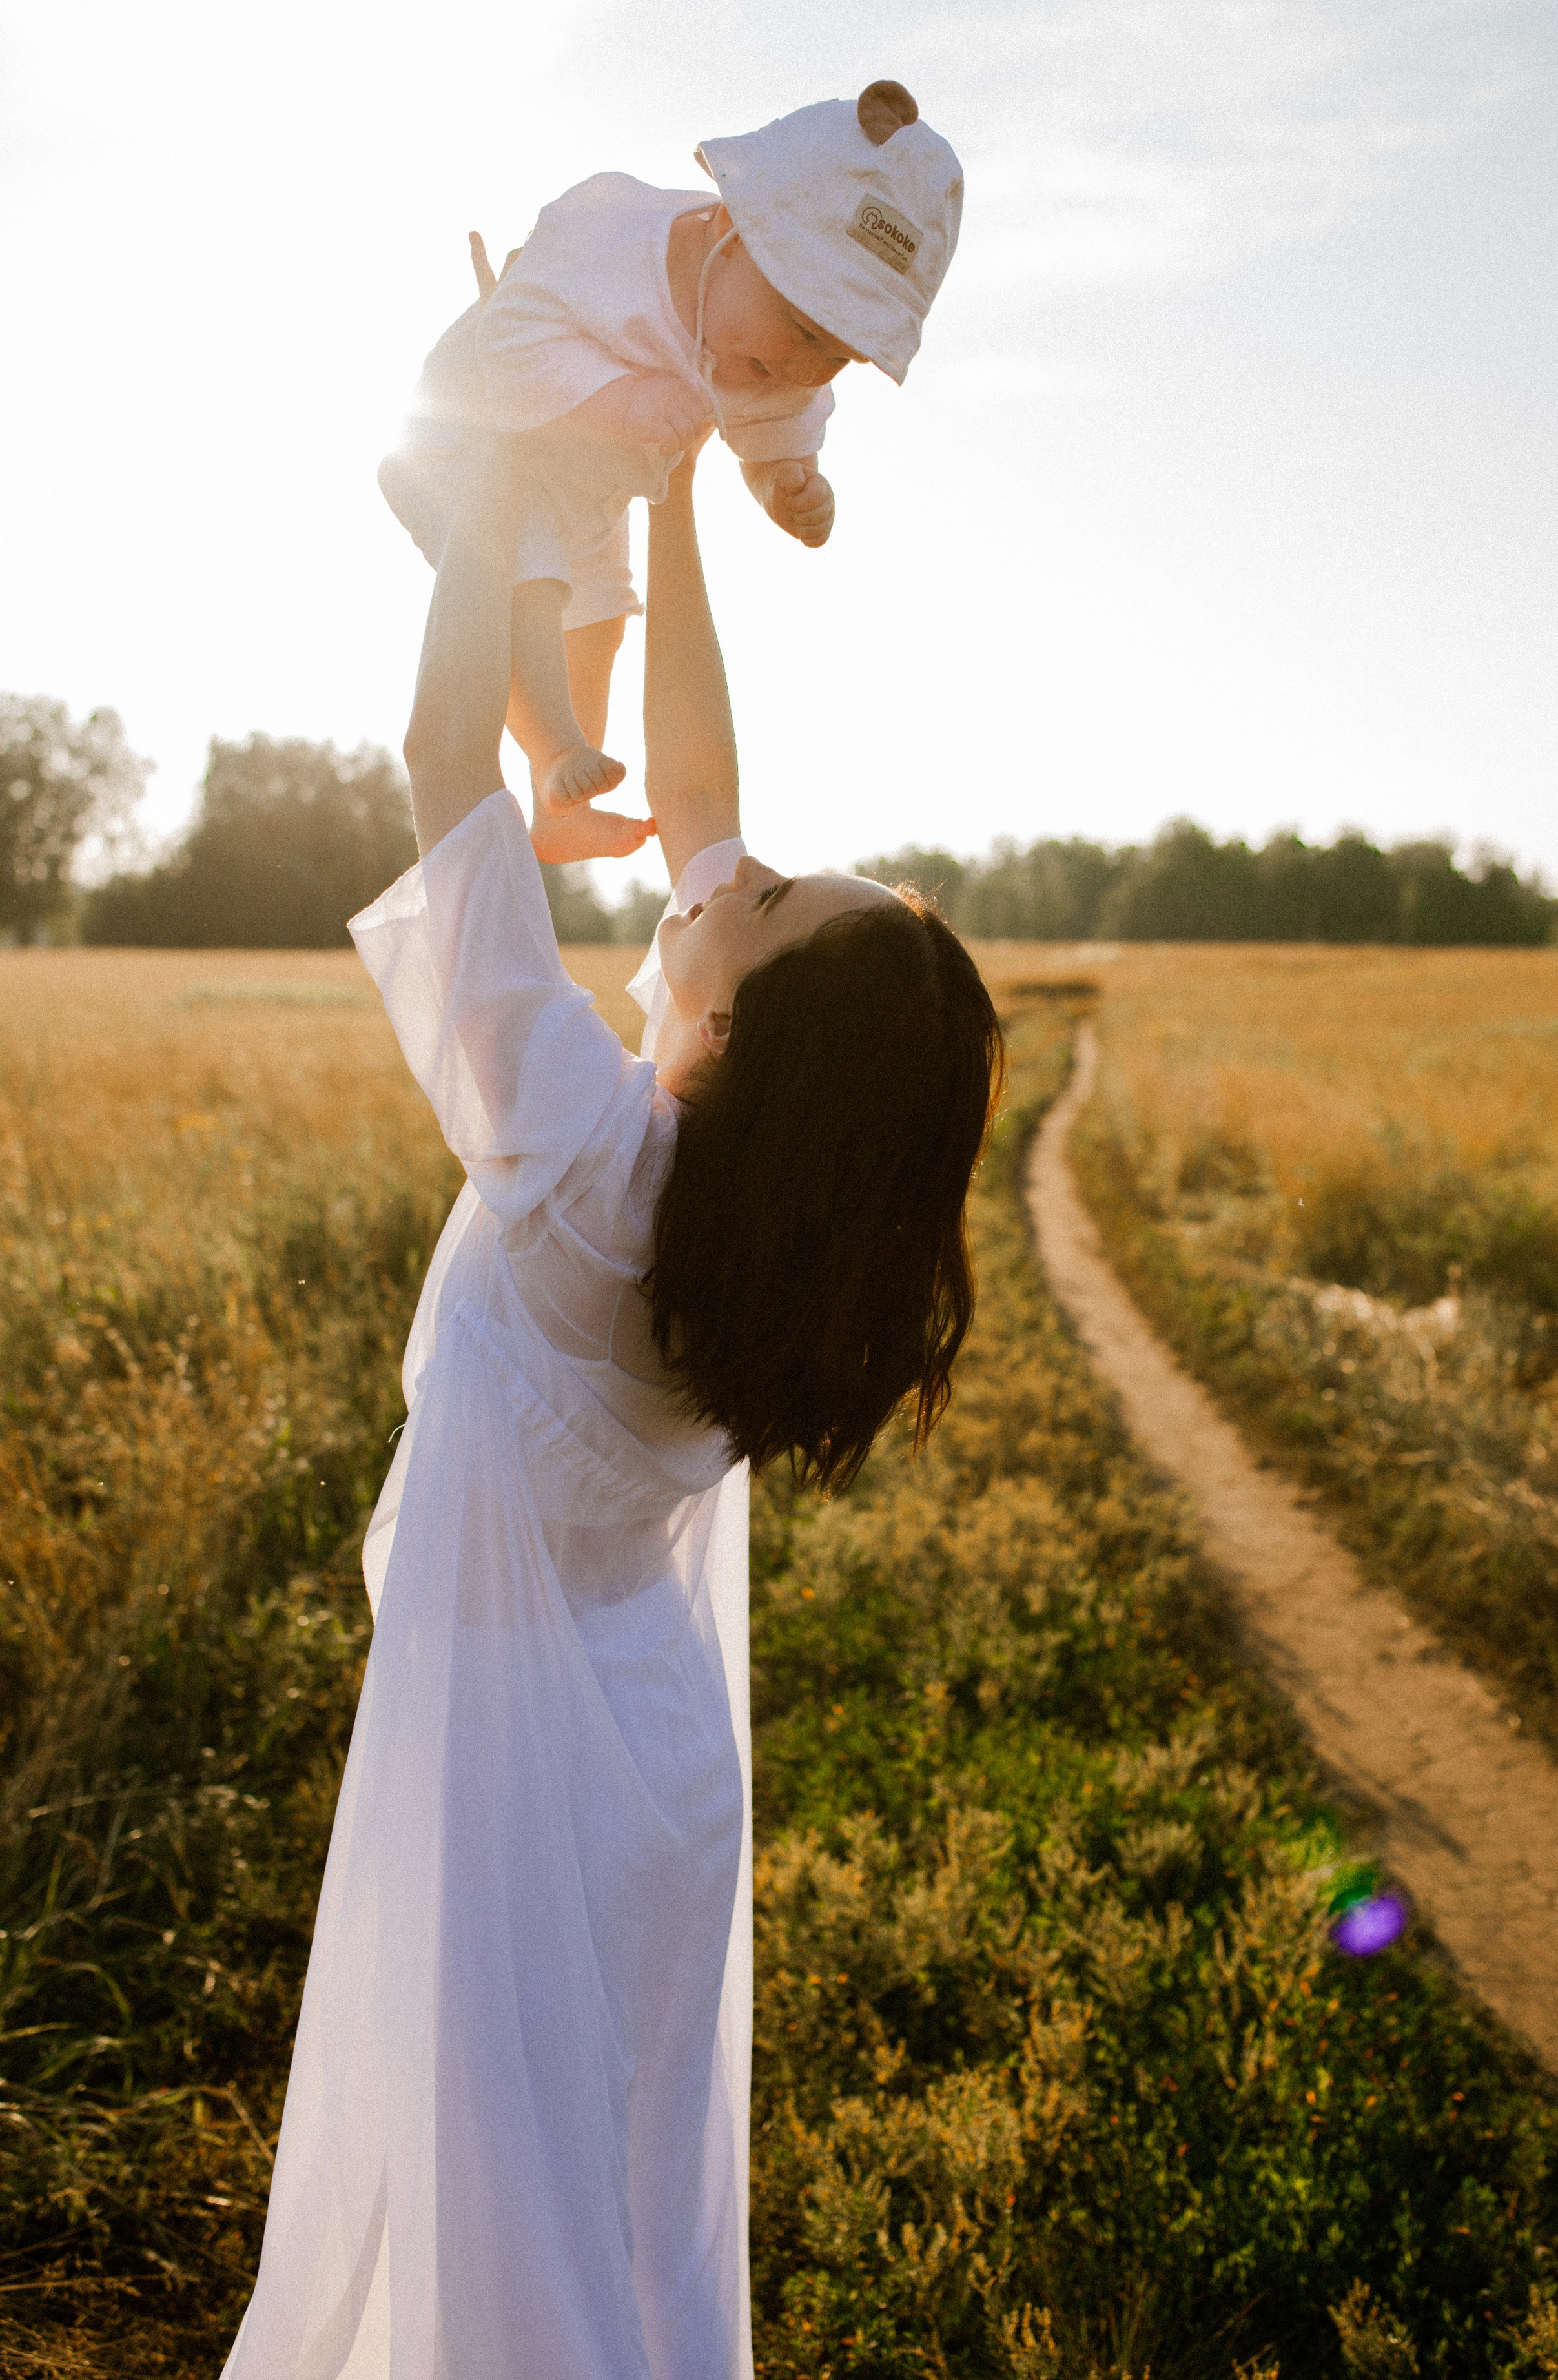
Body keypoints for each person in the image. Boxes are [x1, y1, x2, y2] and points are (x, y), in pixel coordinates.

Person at [221, 407, 1000, 2377]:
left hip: (520, 1768)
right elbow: (702, 786)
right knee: (613, 2202)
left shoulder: (580, 1157)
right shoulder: (752, 1225)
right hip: (647, 1741)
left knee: (508, 2230)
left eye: (762, 891)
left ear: (727, 1028)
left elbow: (437, 760)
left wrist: (500, 472)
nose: (724, 863)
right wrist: (663, 483)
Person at [378, 80, 963, 863]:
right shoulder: (612, 245)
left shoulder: (776, 366)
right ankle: (553, 749)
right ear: (730, 230)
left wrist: (788, 490)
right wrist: (625, 405)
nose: (805, 368)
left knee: (602, 615)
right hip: (466, 448)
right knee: (532, 571)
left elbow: (773, 445)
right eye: (800, 329)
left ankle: (558, 803)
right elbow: (507, 341)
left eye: (841, 356)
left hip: (588, 488)